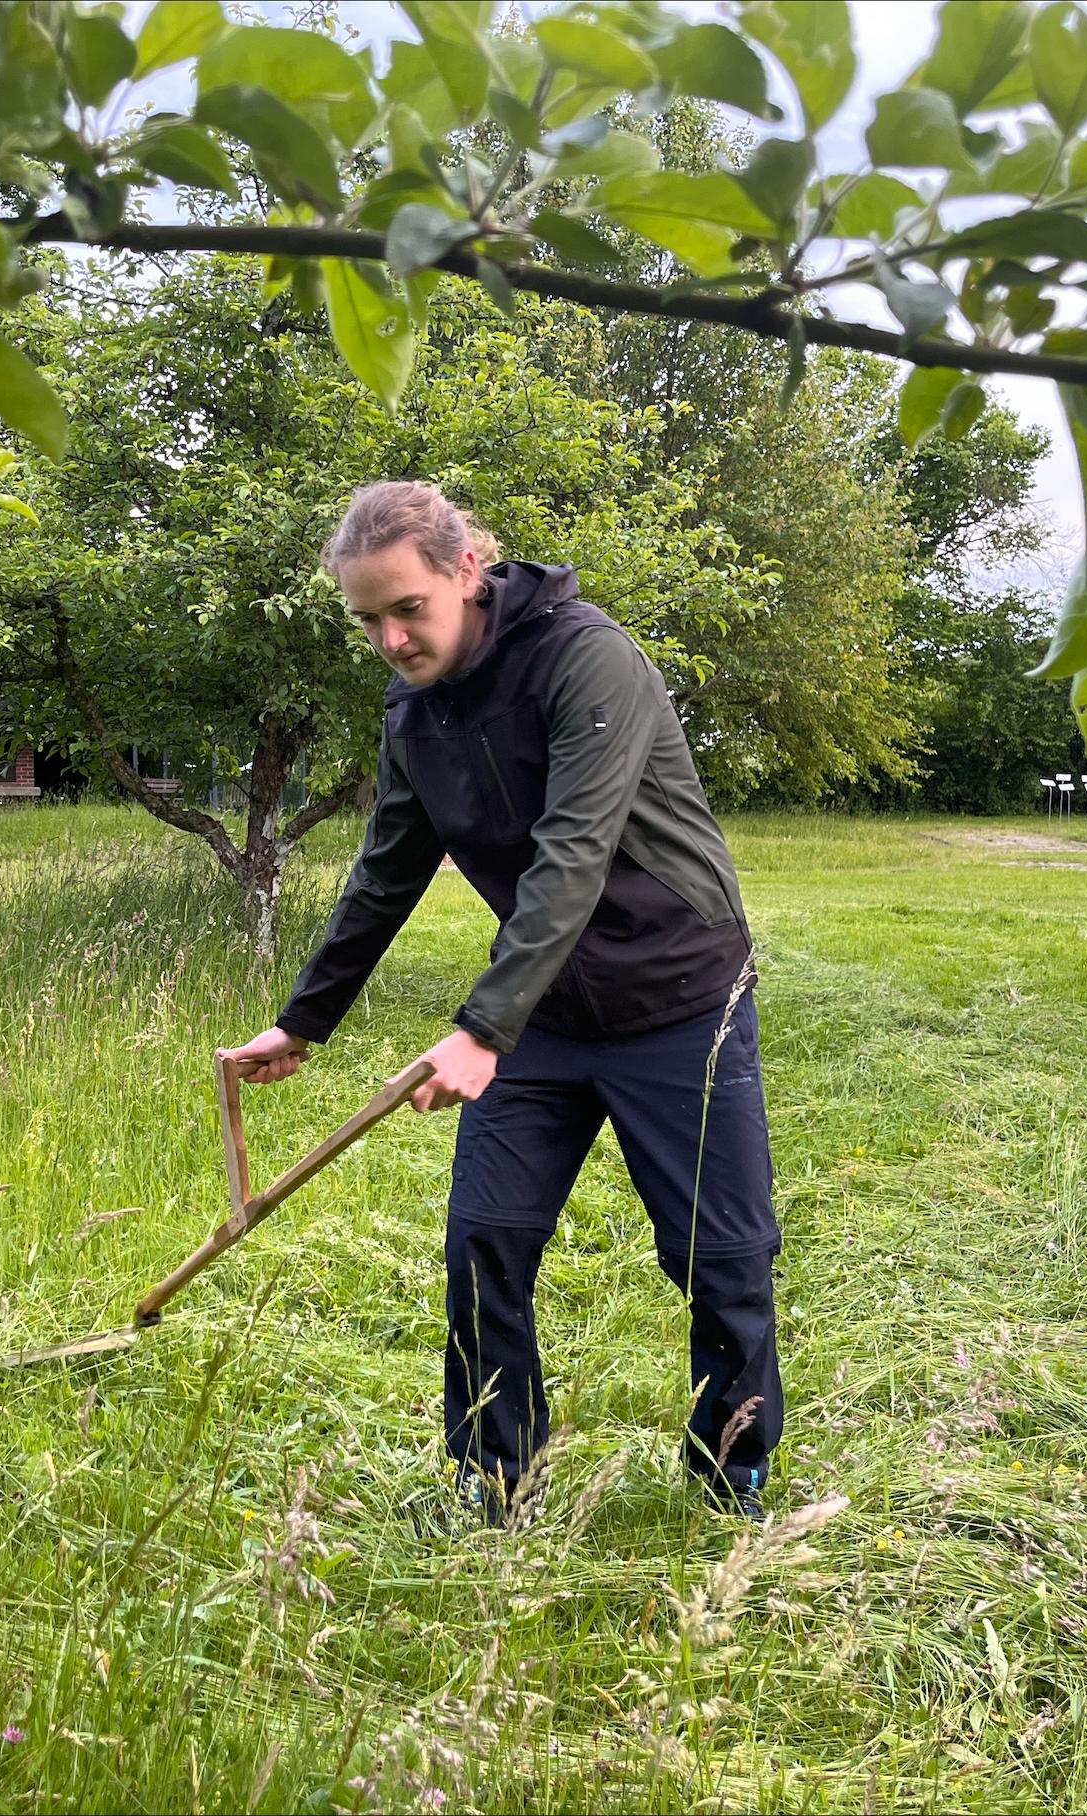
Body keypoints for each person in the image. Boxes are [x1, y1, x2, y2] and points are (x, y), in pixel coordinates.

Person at [223, 480, 782, 1524]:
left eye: (406, 609)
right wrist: (305, 1019)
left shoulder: (585, 659)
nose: (390, 638)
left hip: (677, 997)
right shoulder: (413, 708)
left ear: (465, 572)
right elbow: (387, 868)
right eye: (367, 620)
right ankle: (492, 1483)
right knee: (484, 1239)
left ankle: (730, 1476)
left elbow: (573, 854)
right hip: (545, 1017)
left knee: (721, 1257)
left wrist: (480, 1028)